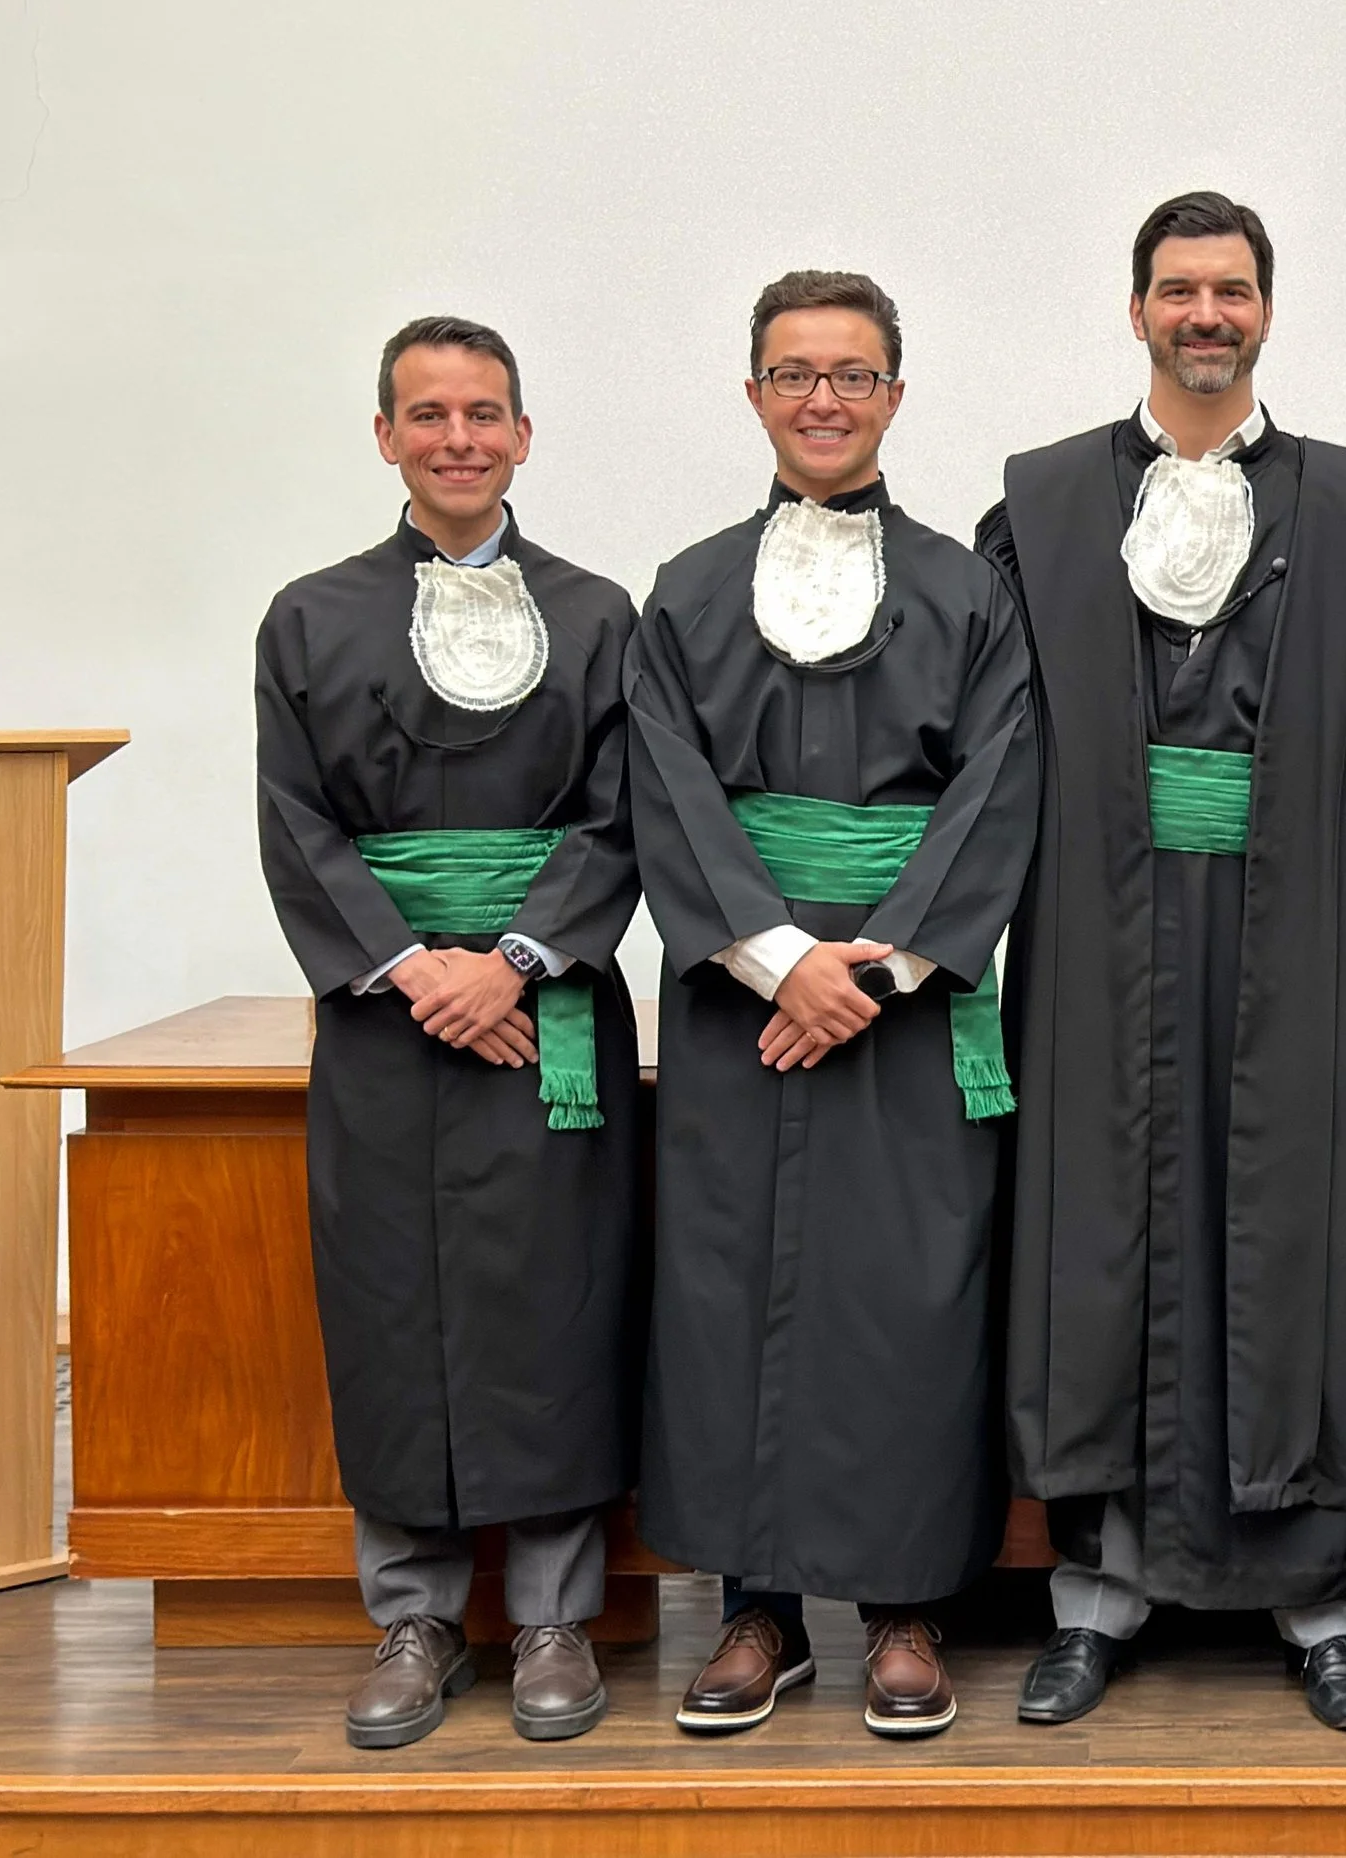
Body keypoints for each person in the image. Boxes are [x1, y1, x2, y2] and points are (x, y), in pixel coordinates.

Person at [979, 191, 1346, 1731]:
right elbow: (969, 749)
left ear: (1266, 310)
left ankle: (1323, 1604)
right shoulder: (1041, 511)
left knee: (1299, 1232)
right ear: (1137, 311)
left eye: (1231, 289)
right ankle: (1094, 1595)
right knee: (1098, 1234)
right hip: (1094, 935)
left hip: (1298, 935)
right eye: (1178, 288)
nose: (1205, 314)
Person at [628, 271, 1038, 1739]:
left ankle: (908, 1606)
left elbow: (1001, 781)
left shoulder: (971, 593)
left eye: (853, 374)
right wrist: (773, 954)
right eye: (795, 373)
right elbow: (665, 786)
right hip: (743, 1006)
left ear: (894, 397)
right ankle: (759, 1609)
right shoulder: (683, 591)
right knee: (731, 1291)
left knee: (910, 1297)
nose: (823, 399)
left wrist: (872, 967)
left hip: (907, 1007)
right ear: (754, 394)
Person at [255, 316, 640, 1749]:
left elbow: (626, 813)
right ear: (385, 436)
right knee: (389, 1300)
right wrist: (420, 972)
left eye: (484, 413)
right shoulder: (307, 618)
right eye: (429, 414)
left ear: (524, 436)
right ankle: (413, 1616)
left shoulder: (601, 615)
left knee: (555, 1298)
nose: (458, 438)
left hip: (548, 1010)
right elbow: (295, 823)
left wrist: (515, 962)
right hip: (385, 1016)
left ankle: (554, 1614)